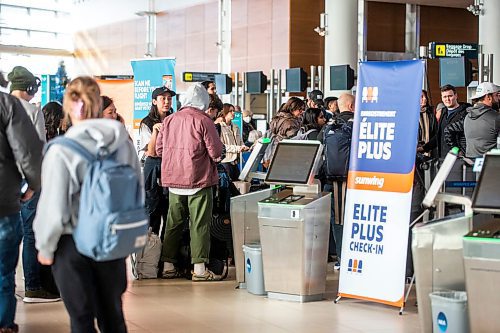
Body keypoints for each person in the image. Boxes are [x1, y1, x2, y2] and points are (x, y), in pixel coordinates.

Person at [34, 76, 140, 333]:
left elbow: (54, 207)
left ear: (70, 106)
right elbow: (136, 190)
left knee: (81, 319)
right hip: (112, 242)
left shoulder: (61, 150)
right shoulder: (123, 144)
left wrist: (45, 247)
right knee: (113, 316)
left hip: (72, 244)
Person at [156, 83, 223, 281]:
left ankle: (168, 266)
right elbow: (216, 153)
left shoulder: (169, 120)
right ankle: (200, 269)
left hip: (174, 180)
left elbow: (160, 150)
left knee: (173, 223)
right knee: (199, 224)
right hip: (198, 179)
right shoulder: (204, 120)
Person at [8, 66, 59, 303]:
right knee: (30, 233)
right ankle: (33, 287)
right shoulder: (31, 111)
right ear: (30, 87)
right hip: (23, 182)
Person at [0, 92, 43, 333]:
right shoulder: (7, 104)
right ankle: (3, 324)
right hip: (3, 202)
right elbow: (28, 151)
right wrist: (33, 184)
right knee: (3, 271)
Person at [323, 93, 355, 270]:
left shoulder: (329, 126)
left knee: (338, 220)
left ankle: (342, 259)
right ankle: (347, 258)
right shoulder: (357, 124)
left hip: (334, 180)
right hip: (353, 178)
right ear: (351, 107)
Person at [139, 87, 175, 236]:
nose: (166, 102)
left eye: (169, 98)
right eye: (163, 98)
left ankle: (166, 255)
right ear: (154, 101)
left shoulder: (174, 119)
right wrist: (155, 131)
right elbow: (151, 151)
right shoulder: (146, 122)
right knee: (152, 211)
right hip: (153, 167)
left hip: (171, 166)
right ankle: (149, 254)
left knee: (170, 212)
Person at [420, 84, 470, 159]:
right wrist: (424, 148)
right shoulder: (443, 112)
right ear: (442, 98)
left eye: (450, 96)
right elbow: (439, 135)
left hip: (459, 157)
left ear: (456, 96)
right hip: (443, 157)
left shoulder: (465, 112)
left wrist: (462, 152)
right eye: (445, 97)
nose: (447, 99)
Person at [264, 97, 305, 166]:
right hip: (286, 156)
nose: (302, 112)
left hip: (276, 153)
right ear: (292, 108)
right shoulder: (290, 122)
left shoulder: (279, 118)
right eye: (300, 109)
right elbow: (296, 139)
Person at [463, 82, 500, 158]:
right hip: (490, 165)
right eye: (496, 95)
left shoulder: (467, 116)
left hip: (470, 163)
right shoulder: (496, 118)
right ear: (488, 97)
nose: (498, 99)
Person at [219, 103, 249, 181]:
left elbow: (240, 142)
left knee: (238, 184)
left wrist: (244, 147)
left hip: (235, 161)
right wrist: (238, 148)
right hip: (225, 161)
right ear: (225, 112)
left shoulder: (236, 127)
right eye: (231, 111)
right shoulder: (220, 127)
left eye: (234, 111)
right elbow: (222, 146)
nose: (233, 113)